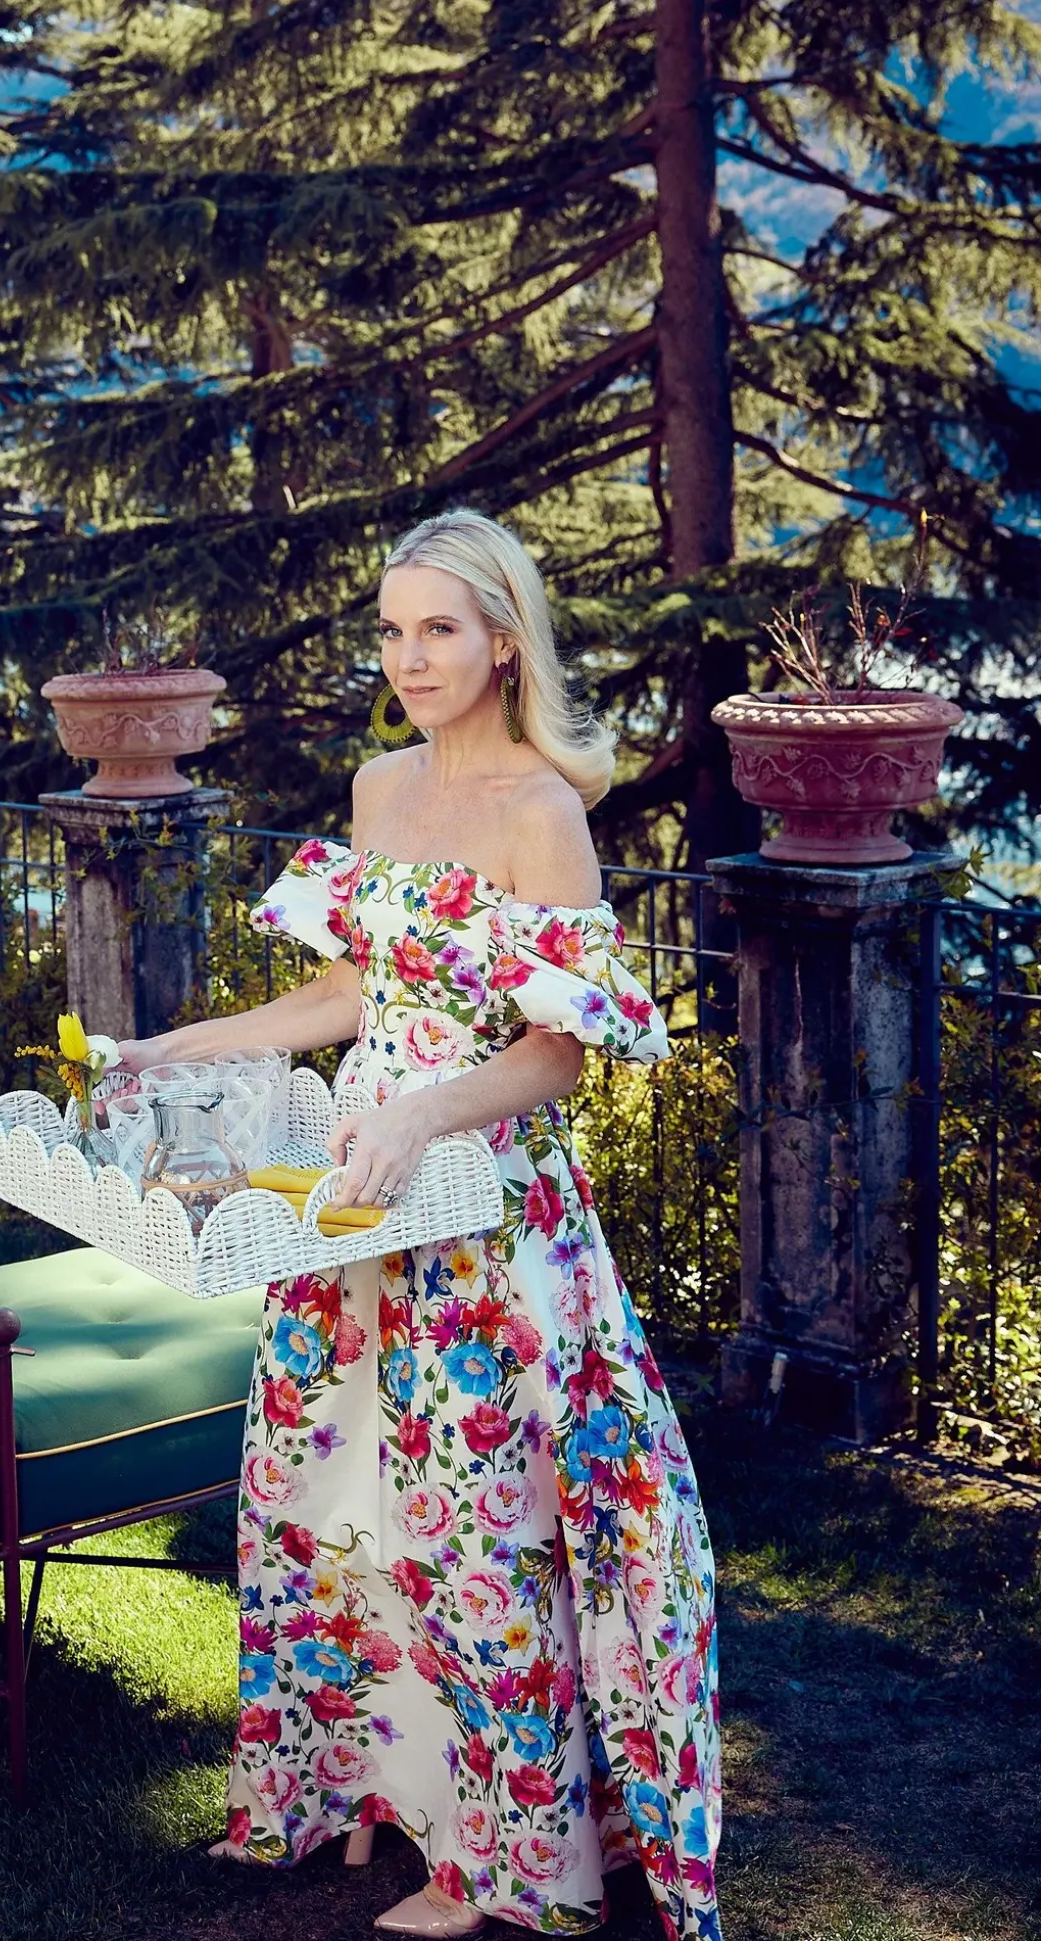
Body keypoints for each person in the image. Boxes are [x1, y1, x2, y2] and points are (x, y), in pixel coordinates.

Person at [113, 510, 723, 1939]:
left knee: (478, 1532)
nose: (410, 657)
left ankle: (503, 1861)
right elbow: (348, 999)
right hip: (350, 1215)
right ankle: (370, 1785)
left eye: (438, 628)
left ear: (505, 639)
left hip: (485, 1222)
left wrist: (422, 1114)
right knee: (335, 1511)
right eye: (391, 632)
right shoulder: (381, 788)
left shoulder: (543, 812)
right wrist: (195, 1040)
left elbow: (555, 1056)